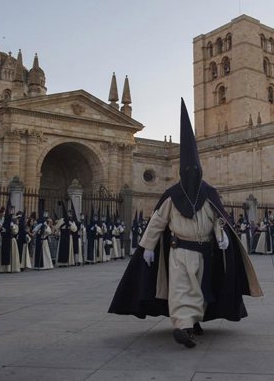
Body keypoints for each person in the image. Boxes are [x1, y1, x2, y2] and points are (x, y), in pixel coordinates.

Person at [109, 98, 262, 349]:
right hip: (179, 251)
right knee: (181, 289)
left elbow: (217, 218)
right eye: (187, 170)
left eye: (195, 170)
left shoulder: (209, 193)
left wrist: (220, 234)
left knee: (203, 288)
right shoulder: (171, 195)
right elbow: (157, 222)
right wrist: (147, 247)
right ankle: (182, 326)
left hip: (206, 251)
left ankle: (194, 321)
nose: (191, 173)